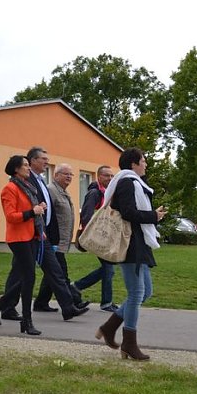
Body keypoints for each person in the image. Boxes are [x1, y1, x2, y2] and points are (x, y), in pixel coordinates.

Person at [0, 147, 87, 321]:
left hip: (41, 234)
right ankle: (6, 307)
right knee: (20, 274)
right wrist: (33, 212)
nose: (47, 162)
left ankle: (68, 308)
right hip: (26, 236)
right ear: (31, 162)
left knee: (55, 271)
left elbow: (48, 210)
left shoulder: (37, 180)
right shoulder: (21, 182)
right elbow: (18, 213)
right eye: (43, 159)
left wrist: (48, 231)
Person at [96, 148, 167, 360]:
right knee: (137, 293)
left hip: (138, 243)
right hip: (129, 245)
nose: (146, 164)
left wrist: (154, 216)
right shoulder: (127, 182)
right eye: (143, 161)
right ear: (133, 164)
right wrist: (153, 215)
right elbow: (127, 213)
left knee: (145, 292)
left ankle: (110, 327)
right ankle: (129, 343)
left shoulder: (133, 183)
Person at [0, 155, 48, 335]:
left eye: (28, 165)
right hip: (18, 239)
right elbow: (11, 216)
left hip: (31, 236)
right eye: (25, 165)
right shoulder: (9, 188)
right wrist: (32, 212)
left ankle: (0, 304)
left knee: (26, 278)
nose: (29, 168)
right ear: (16, 169)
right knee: (29, 277)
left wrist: (39, 213)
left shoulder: (28, 187)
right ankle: (26, 322)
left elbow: (31, 211)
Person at [33, 163, 89, 311]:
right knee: (61, 273)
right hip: (54, 241)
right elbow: (47, 216)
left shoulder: (63, 191)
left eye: (71, 174)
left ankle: (41, 303)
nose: (69, 177)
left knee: (52, 274)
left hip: (62, 241)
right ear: (56, 175)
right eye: (66, 174)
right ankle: (74, 302)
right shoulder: (51, 191)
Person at [73, 165, 118, 311]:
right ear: (99, 177)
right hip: (96, 237)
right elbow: (86, 214)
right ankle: (105, 302)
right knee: (109, 268)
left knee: (108, 268)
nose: (110, 179)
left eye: (112, 176)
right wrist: (90, 234)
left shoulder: (105, 193)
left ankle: (76, 287)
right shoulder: (94, 193)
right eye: (106, 176)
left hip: (102, 235)